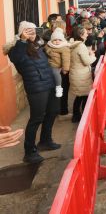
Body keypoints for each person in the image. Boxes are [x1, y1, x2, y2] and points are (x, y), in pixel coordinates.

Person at [4, 21, 60, 163]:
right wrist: (22, 41)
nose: (32, 33)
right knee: (36, 118)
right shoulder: (15, 49)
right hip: (36, 88)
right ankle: (29, 151)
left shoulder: (38, 45)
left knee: (53, 111)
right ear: (21, 33)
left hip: (49, 83)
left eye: (33, 30)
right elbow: (17, 59)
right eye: (28, 31)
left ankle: (45, 140)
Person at [69, 26, 97, 123]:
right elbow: (87, 61)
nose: (87, 34)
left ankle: (76, 116)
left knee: (79, 97)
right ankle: (84, 118)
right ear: (81, 35)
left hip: (76, 74)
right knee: (84, 97)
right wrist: (93, 56)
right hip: (81, 75)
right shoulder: (81, 46)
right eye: (85, 33)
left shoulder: (73, 44)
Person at [44, 28, 70, 98]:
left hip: (57, 66)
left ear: (62, 40)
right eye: (55, 40)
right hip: (49, 64)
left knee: (56, 74)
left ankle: (59, 87)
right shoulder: (49, 45)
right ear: (52, 40)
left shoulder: (64, 47)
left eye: (59, 40)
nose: (57, 42)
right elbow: (46, 49)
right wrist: (49, 51)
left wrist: (65, 69)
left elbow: (66, 59)